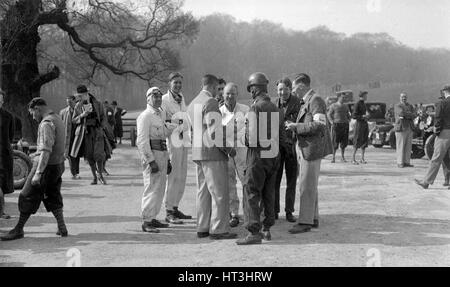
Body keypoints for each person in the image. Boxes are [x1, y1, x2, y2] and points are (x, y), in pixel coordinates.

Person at [1, 98, 67, 241]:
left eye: (32, 113)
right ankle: (62, 227)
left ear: (37, 109)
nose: (33, 117)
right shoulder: (57, 119)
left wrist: (38, 173)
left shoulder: (46, 124)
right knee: (53, 194)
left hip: (44, 166)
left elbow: (45, 150)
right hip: (57, 165)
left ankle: (18, 229)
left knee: (26, 196)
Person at [236, 72, 285, 245]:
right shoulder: (276, 108)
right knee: (268, 193)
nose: (250, 92)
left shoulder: (255, 108)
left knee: (251, 192)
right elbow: (281, 135)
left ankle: (253, 232)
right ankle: (266, 229)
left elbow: (251, 138)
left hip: (257, 156)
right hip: (273, 155)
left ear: (255, 89)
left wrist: (241, 138)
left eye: (251, 89)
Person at [187, 74, 237, 240]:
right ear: (214, 87)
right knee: (219, 192)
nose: (219, 92)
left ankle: (203, 226)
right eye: (218, 89)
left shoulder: (192, 103)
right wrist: (228, 148)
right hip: (213, 154)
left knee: (203, 192)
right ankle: (219, 229)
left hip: (198, 153)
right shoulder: (211, 102)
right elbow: (214, 131)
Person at [285, 73, 333, 234]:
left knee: (306, 186)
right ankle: (313, 217)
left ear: (301, 86)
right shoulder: (309, 101)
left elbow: (320, 125)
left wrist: (296, 127)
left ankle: (305, 221)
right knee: (311, 185)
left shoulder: (315, 100)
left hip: (311, 150)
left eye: (293, 88)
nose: (292, 91)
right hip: (308, 149)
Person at [136, 87, 177, 233]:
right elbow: (141, 141)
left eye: (160, 96)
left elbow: (163, 134)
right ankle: (146, 220)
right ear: (148, 98)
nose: (158, 98)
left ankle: (153, 217)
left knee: (160, 189)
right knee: (151, 188)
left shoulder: (160, 114)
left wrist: (172, 127)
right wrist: (150, 160)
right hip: (153, 154)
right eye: (154, 96)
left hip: (162, 154)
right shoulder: (145, 116)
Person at [161, 72, 192, 224]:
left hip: (183, 140)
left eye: (180, 82)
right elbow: (164, 122)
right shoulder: (164, 100)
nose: (178, 85)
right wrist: (178, 126)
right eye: (175, 83)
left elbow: (185, 118)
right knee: (173, 176)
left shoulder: (182, 98)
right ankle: (168, 211)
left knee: (182, 176)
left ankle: (175, 206)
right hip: (172, 141)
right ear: (170, 84)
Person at [219, 82, 250, 228]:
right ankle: (233, 214)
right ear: (223, 95)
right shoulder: (219, 112)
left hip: (243, 152)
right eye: (227, 93)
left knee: (247, 181)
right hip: (227, 153)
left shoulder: (245, 110)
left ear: (237, 95)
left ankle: (249, 212)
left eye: (233, 93)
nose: (230, 96)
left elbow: (251, 130)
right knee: (229, 183)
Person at [273, 77, 301, 222]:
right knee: (275, 180)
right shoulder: (273, 104)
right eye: (279, 89)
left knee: (291, 181)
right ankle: (275, 210)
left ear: (290, 89)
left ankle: (289, 211)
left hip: (292, 147)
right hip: (277, 147)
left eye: (285, 89)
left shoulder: (298, 104)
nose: (282, 92)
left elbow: (300, 123)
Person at [71, 85, 108, 185]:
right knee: (89, 155)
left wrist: (102, 127)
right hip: (85, 133)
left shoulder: (98, 103)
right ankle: (95, 177)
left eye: (81, 95)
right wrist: (82, 115)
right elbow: (74, 120)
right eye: (79, 96)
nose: (80, 97)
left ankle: (100, 174)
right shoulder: (78, 106)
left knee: (99, 154)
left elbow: (104, 117)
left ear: (86, 94)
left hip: (97, 131)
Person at [415, 85, 450, 190]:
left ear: (444, 92)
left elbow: (438, 118)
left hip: (445, 132)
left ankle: (426, 182)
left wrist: (437, 130)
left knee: (436, 157)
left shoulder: (442, 103)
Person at [0, 90, 14, 220]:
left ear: (3, 101)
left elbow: (10, 136)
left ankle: (1, 211)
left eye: (0, 100)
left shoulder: (8, 116)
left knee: (2, 184)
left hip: (3, 154)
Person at [60, 95, 80, 180]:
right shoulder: (63, 112)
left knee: (76, 154)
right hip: (68, 136)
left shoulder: (79, 110)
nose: (69, 104)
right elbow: (60, 124)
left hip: (77, 135)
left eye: (70, 102)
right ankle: (73, 173)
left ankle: (76, 172)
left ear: (74, 101)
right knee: (70, 155)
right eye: (67, 102)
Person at [327, 91, 351, 163]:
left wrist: (348, 120)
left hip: (344, 125)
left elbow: (348, 114)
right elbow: (328, 114)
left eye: (345, 98)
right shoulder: (333, 105)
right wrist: (331, 122)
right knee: (335, 141)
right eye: (343, 97)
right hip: (336, 125)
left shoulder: (346, 106)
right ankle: (333, 157)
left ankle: (342, 157)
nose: (344, 99)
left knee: (344, 142)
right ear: (339, 98)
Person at [394, 92, 415, 168]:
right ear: (400, 97)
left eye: (405, 97)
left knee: (408, 146)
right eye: (402, 97)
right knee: (401, 145)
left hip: (409, 127)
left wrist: (407, 115)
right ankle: (400, 162)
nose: (404, 98)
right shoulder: (397, 105)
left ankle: (407, 162)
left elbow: (414, 114)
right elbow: (401, 113)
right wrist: (409, 114)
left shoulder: (410, 105)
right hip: (401, 128)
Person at [351, 91, 370, 164]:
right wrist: (362, 116)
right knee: (357, 140)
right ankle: (353, 159)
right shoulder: (357, 104)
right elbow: (354, 115)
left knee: (364, 141)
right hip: (359, 124)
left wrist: (367, 116)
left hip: (364, 123)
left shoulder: (364, 104)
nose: (366, 97)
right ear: (362, 96)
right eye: (365, 95)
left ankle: (362, 158)